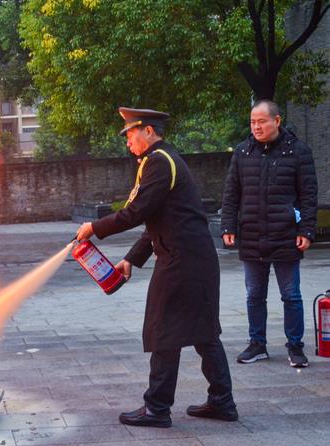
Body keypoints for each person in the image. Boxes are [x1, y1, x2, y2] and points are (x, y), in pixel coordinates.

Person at [77, 107, 236, 428]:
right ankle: (222, 401)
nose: (127, 142)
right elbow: (158, 220)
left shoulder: (159, 162)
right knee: (204, 332)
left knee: (164, 329)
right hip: (194, 260)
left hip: (182, 262)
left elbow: (136, 211)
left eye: (130, 134)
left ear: (148, 131)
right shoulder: (164, 159)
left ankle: (157, 408)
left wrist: (94, 227)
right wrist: (131, 259)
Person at [221, 99, 318, 368]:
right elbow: (231, 193)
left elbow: (309, 195)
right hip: (252, 234)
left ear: (277, 121)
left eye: (261, 121)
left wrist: (306, 229)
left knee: (291, 295)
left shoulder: (297, 151)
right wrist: (228, 226)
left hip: (286, 235)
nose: (256, 126)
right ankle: (257, 344)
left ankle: (295, 346)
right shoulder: (243, 152)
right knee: (254, 295)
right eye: (253, 122)